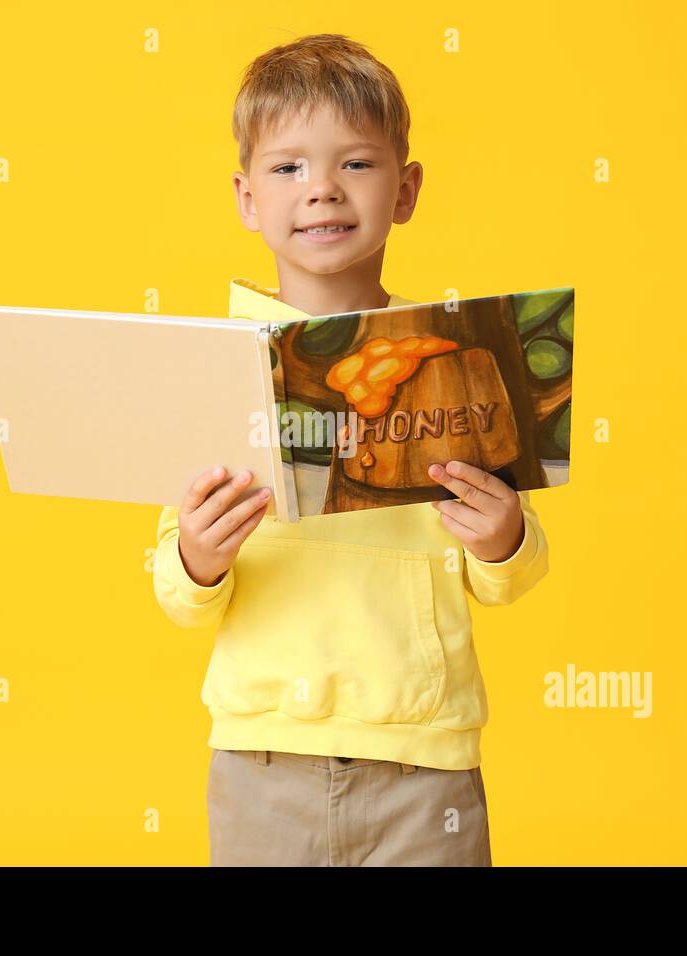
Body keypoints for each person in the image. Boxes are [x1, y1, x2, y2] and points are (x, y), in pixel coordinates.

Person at [152, 34, 550, 866]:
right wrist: (198, 557)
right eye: (288, 168)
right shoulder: (210, 367)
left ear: (405, 190)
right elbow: (178, 590)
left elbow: (508, 575)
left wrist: (503, 536)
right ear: (246, 197)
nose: (323, 189)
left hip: (425, 761)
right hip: (262, 756)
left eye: (357, 165)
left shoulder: (457, 356)